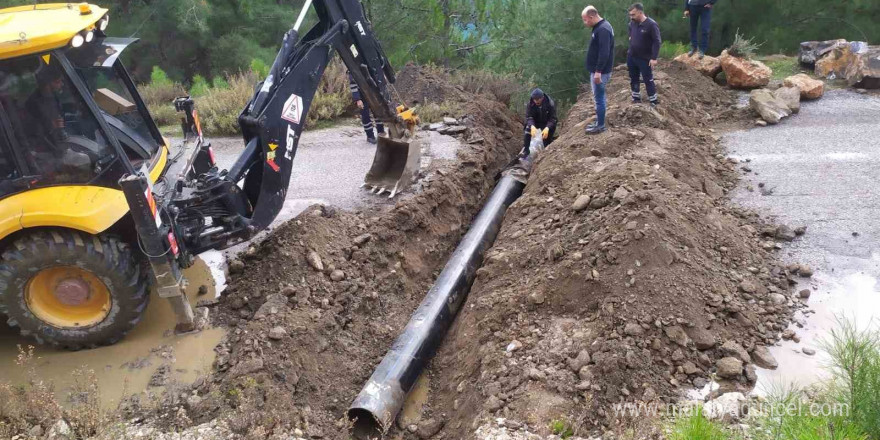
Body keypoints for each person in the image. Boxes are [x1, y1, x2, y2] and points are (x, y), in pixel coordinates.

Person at [582, 5, 614, 135]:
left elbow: (604, 52)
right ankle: (599, 122)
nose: (585, 23)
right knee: (598, 98)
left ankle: (600, 126)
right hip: (597, 70)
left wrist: (598, 71)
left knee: (599, 99)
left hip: (601, 72)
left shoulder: (603, 30)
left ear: (592, 16)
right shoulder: (599, 27)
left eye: (585, 20)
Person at [627, 3, 661, 106]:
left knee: (648, 79)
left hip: (645, 58)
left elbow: (657, 41)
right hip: (632, 56)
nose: (631, 17)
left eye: (633, 14)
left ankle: (653, 100)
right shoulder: (632, 23)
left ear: (640, 12)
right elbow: (630, 34)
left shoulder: (651, 25)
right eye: (630, 15)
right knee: (633, 78)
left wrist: (654, 58)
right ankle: (636, 98)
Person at [349, 72, 385, 144]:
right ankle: (370, 136)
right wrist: (358, 99)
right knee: (365, 116)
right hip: (361, 95)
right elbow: (353, 84)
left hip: (373, 92)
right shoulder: (353, 66)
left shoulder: (369, 62)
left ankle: (381, 134)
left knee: (378, 114)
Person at [522, 88, 557, 157]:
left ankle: (546, 153)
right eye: (534, 99)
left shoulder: (550, 104)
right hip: (535, 122)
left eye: (538, 99)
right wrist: (532, 126)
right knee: (527, 130)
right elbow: (529, 117)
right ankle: (526, 150)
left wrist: (547, 128)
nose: (536, 101)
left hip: (546, 123)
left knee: (546, 140)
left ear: (542, 97)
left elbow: (553, 119)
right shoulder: (530, 104)